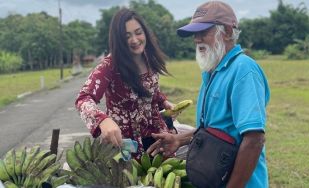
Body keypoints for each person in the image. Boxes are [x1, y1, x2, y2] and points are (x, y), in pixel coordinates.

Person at [147, 1, 270, 187]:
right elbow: (213, 130)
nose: (197, 39)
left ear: (228, 31)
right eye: (195, 34)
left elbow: (254, 139)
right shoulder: (212, 72)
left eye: (204, 32)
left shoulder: (243, 70)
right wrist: (178, 140)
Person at [75, 8, 176, 160]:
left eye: (138, 32)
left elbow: (151, 90)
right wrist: (102, 120)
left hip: (158, 139)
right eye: (127, 36)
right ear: (118, 40)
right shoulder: (109, 65)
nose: (135, 40)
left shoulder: (148, 57)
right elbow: (83, 99)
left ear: (145, 32)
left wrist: (163, 101)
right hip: (127, 147)